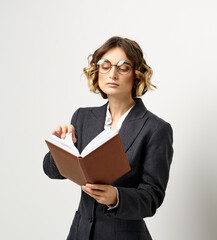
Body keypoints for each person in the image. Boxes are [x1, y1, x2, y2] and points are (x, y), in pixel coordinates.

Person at [43, 36, 174, 240]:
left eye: (123, 67)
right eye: (105, 66)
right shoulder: (83, 117)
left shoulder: (156, 129)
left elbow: (152, 197)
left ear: (136, 75)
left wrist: (116, 197)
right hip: (80, 233)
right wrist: (62, 146)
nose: (112, 74)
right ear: (97, 72)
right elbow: (52, 172)